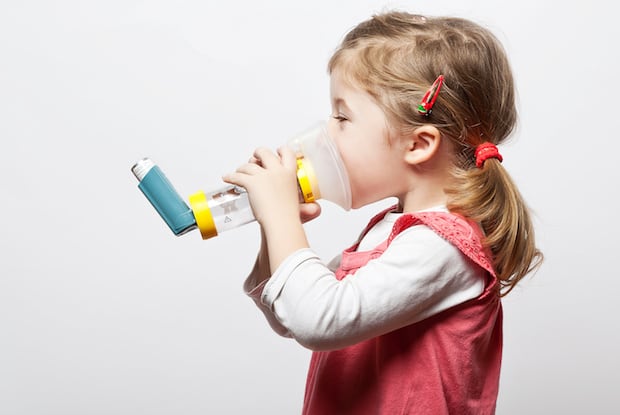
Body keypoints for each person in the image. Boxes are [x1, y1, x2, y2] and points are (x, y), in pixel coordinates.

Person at [223, 10, 543, 414]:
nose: (325, 133)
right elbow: (290, 316)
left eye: (342, 117)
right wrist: (274, 229)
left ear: (418, 144)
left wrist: (282, 218)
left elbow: (319, 320)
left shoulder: (443, 246)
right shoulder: (391, 230)